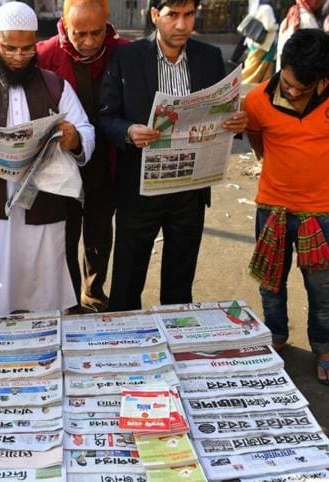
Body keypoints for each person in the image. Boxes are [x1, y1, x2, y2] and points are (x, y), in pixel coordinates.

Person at [0, 1, 95, 316]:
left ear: (36, 42)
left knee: (44, 282)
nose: (19, 57)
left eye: (26, 49)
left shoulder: (55, 86)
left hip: (43, 203)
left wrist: (74, 139)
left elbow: (85, 130)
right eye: (10, 48)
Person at [98, 0, 248, 311]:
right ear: (155, 15)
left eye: (189, 15)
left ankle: (176, 331)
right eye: (172, 15)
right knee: (127, 280)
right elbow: (106, 116)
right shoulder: (127, 57)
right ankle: (129, 334)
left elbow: (222, 111)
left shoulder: (208, 57)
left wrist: (235, 123)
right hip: (140, 188)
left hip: (190, 190)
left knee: (180, 280)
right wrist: (129, 131)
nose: (182, 25)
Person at [243, 29, 329, 385]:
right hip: (272, 208)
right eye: (288, 84)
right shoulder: (257, 99)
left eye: (303, 88)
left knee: (322, 290)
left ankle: (323, 348)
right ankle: (277, 335)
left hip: (319, 212)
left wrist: (322, 163)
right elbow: (256, 139)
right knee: (271, 284)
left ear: (323, 79)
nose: (293, 92)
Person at [36, 0, 130, 312]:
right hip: (61, 163)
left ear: (108, 23)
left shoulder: (125, 52)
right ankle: (69, 300)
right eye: (80, 34)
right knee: (64, 235)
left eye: (96, 32)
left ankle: (93, 290)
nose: (89, 42)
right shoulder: (43, 55)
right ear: (64, 25)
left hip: (107, 160)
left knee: (100, 233)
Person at [277, 0, 322, 71]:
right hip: (300, 72)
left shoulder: (287, 19)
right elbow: (314, 50)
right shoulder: (308, 19)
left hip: (285, 71)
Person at [242, 0, 278, 84]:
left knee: (251, 65)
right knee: (258, 69)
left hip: (255, 41)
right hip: (265, 43)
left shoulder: (256, 7)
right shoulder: (267, 8)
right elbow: (269, 26)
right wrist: (278, 26)